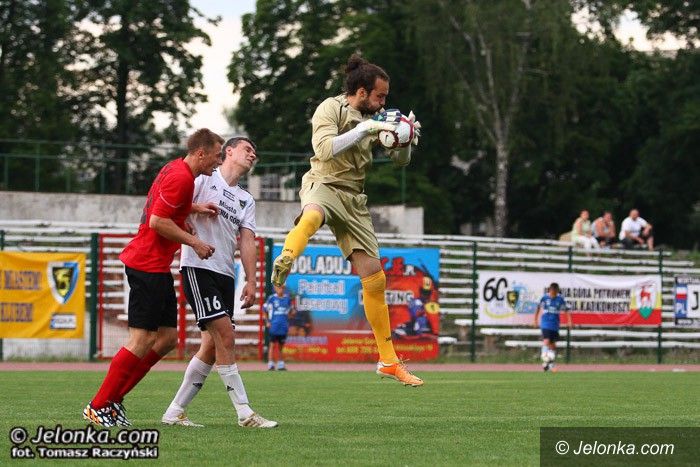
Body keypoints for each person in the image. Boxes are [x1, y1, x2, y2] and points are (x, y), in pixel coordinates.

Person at [269, 54, 424, 386]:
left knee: (375, 279)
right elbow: (324, 150)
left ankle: (388, 361)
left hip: (354, 198)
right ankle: (287, 256)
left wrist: (406, 138)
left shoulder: (377, 117)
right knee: (313, 215)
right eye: (380, 96)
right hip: (323, 183)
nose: (384, 103)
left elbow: (400, 161)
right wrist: (366, 128)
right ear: (362, 92)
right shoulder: (330, 108)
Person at [83, 129, 224, 427]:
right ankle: (99, 405)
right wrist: (195, 242)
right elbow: (157, 221)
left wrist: (193, 208)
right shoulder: (182, 178)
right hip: (146, 264)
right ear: (201, 153)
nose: (219, 161)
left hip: (156, 267)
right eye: (217, 155)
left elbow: (165, 205)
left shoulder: (176, 169)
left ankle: (113, 400)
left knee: (167, 339)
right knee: (142, 339)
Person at [161, 136, 277, 429]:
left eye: (255, 152)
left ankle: (175, 411)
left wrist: (251, 280)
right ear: (229, 151)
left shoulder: (246, 199)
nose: (253, 155)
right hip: (198, 267)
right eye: (247, 149)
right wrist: (195, 210)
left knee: (212, 347)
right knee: (226, 335)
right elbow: (173, 207)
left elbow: (247, 241)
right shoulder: (204, 179)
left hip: (226, 274)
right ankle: (245, 413)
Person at [533, 283, 572, 372]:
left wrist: (569, 321)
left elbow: (567, 310)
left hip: (555, 325)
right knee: (546, 341)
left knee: (553, 345)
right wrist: (535, 320)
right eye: (552, 291)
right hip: (545, 323)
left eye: (555, 291)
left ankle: (547, 364)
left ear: (557, 291)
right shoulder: (544, 298)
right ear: (550, 290)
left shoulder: (560, 299)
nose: (553, 293)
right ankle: (545, 357)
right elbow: (538, 308)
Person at [263, 285, 295, 371]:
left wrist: (290, 316)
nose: (280, 289)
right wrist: (267, 322)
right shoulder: (272, 298)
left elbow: (291, 311)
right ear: (275, 289)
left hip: (283, 326)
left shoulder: (287, 299)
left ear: (284, 289)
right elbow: (264, 310)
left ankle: (280, 364)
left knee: (281, 346)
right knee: (272, 345)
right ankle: (270, 364)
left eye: (281, 288)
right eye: (278, 288)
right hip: (274, 325)